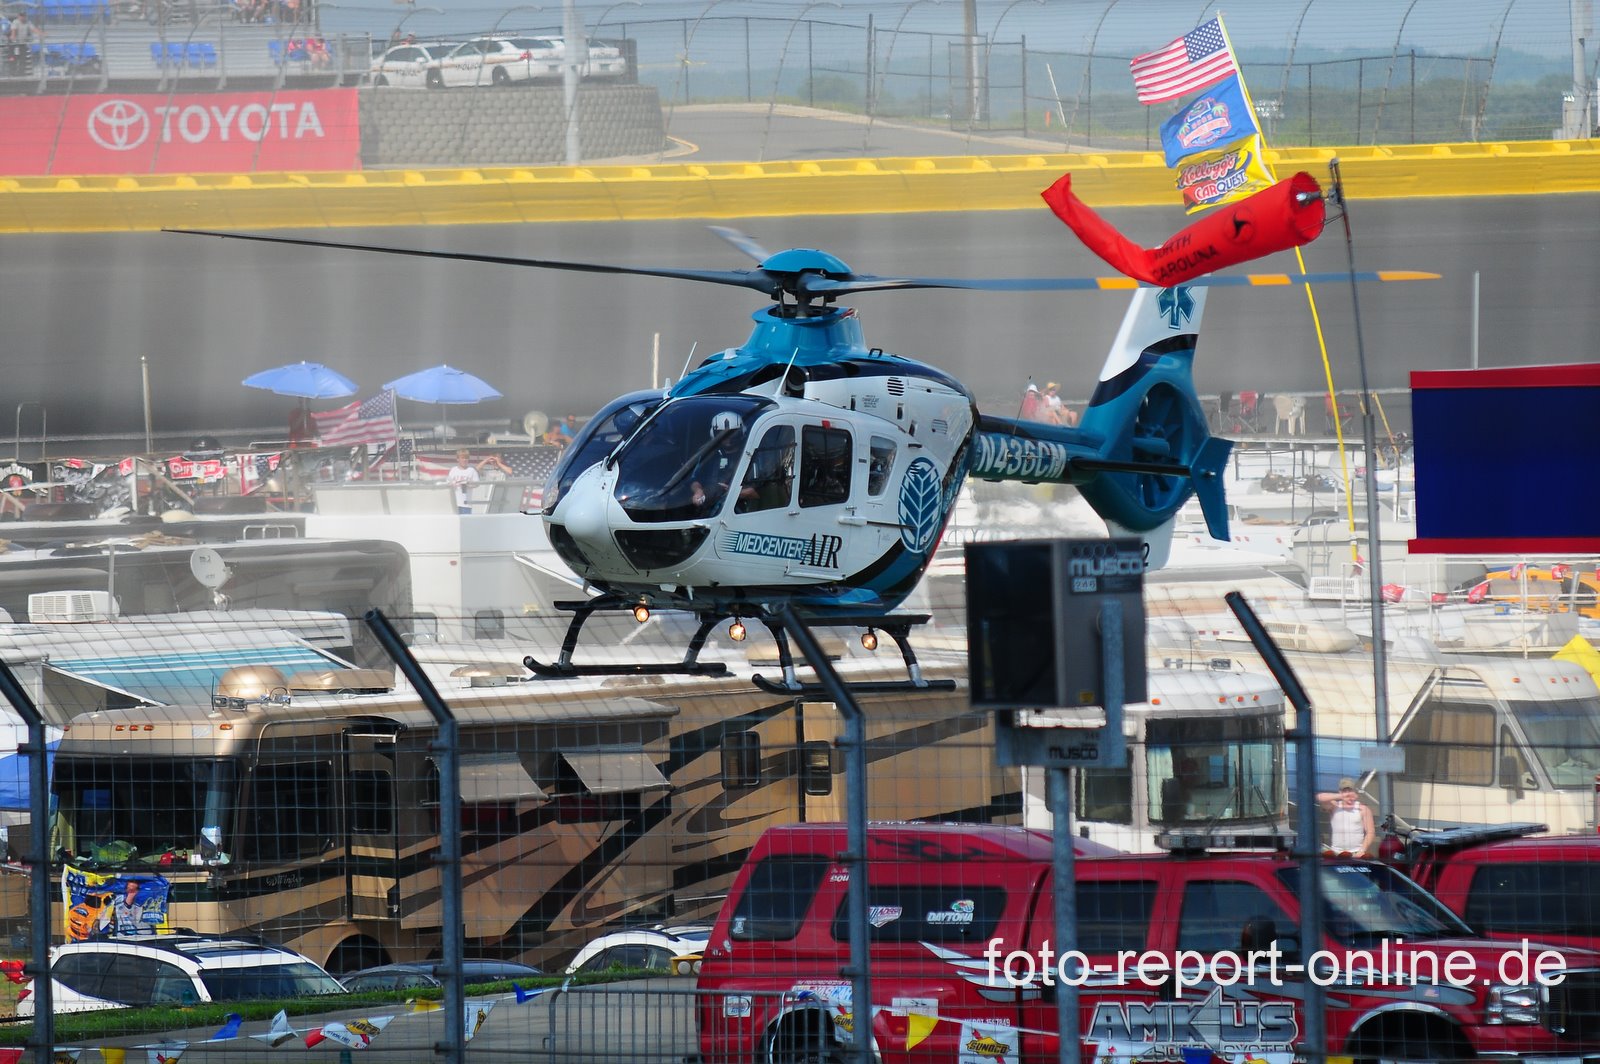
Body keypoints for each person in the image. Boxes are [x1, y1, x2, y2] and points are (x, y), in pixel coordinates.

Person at [1317, 777, 1377, 857]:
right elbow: (1319, 797)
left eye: (1350, 791)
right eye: (1344, 791)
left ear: (1354, 792)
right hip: (1336, 852)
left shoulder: (1363, 808)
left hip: (1356, 853)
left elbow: (1370, 832)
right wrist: (1342, 796)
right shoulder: (1334, 806)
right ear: (1340, 792)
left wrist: (1362, 850)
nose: (1348, 794)